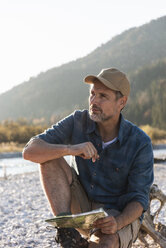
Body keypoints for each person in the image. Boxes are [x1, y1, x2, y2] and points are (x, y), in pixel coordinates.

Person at [23, 68, 154, 248]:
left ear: (121, 102)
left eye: (103, 96)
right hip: (82, 209)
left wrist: (118, 222)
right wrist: (70, 149)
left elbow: (139, 199)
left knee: (104, 243)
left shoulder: (140, 142)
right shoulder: (78, 120)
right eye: (92, 94)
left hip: (116, 215)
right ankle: (66, 233)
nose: (94, 101)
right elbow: (30, 151)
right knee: (49, 156)